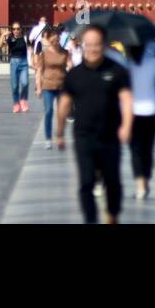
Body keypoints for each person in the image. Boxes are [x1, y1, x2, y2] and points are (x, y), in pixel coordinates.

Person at [57, 25, 133, 225]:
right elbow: (64, 103)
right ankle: (90, 219)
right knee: (86, 182)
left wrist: (126, 126)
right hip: (84, 136)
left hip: (110, 136)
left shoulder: (117, 71)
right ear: (82, 46)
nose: (92, 49)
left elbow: (126, 99)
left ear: (104, 45)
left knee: (112, 181)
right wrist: (59, 132)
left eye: (97, 44)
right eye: (88, 44)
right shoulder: (74, 74)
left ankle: (112, 215)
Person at [125, 39, 155, 200]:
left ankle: (140, 185)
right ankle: (147, 180)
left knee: (135, 150)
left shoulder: (127, 65)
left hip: (133, 112)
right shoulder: (153, 61)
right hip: (152, 110)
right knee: (147, 149)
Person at [35, 26, 69, 148]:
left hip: (62, 86)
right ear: (49, 40)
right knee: (49, 111)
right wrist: (38, 87)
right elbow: (39, 71)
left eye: (57, 39)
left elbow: (70, 66)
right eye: (53, 40)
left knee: (62, 113)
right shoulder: (44, 54)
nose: (56, 42)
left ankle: (60, 135)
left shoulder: (65, 52)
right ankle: (48, 138)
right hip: (47, 86)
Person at [7, 22, 30, 113]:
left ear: (21, 29)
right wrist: (3, 36)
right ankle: (16, 103)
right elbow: (1, 46)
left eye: (17, 29)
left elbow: (31, 48)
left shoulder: (25, 38)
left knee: (25, 83)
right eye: (14, 29)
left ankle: (23, 100)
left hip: (24, 62)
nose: (16, 31)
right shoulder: (10, 39)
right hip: (14, 62)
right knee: (14, 85)